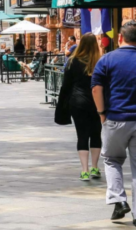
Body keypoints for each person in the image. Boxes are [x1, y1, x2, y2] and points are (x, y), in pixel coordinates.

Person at [92, 20, 136, 224]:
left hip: (115, 117)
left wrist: (102, 113)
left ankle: (119, 200)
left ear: (120, 38)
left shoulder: (107, 59)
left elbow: (96, 88)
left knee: (111, 159)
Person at [55, 33, 102, 181]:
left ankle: (84, 170)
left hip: (77, 102)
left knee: (82, 135)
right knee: (96, 134)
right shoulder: (100, 61)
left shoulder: (72, 61)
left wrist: (62, 105)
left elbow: (66, 86)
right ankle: (95, 167)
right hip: (97, 102)